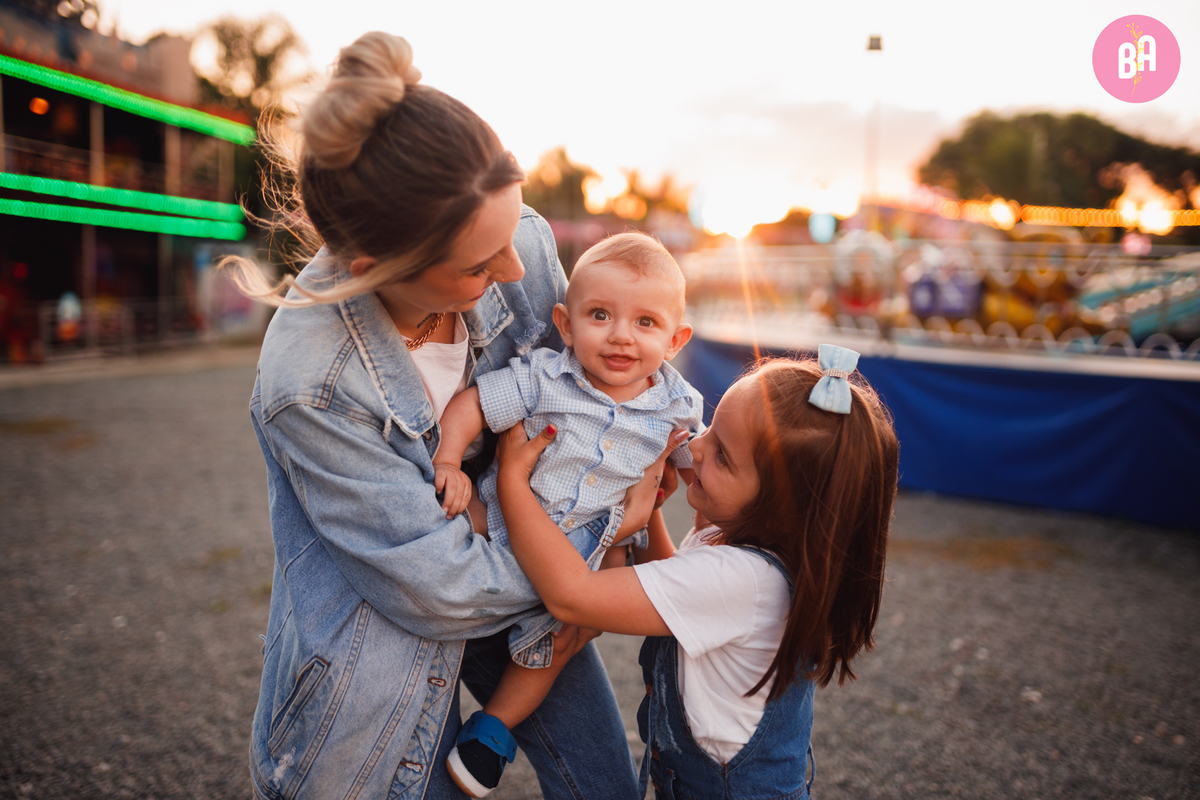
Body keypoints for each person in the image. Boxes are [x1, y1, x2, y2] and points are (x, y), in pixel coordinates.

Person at [228, 31, 644, 800]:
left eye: (514, 234)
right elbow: (437, 584)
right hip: (383, 649)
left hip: (525, 570)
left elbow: (598, 394)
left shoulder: (516, 242)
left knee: (606, 783)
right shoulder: (310, 383)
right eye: (480, 266)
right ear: (376, 271)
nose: (519, 272)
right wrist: (584, 562)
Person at [495, 346, 900, 799]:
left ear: (780, 508)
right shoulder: (751, 550)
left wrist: (512, 481)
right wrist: (648, 509)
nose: (697, 446)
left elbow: (570, 594)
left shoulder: (742, 581)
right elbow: (674, 587)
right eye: (712, 428)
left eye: (723, 455)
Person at [430, 232, 703, 795]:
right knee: (443, 527)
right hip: (502, 520)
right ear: (565, 321)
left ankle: (490, 734)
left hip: (583, 554)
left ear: (676, 339)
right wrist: (449, 458)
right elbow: (477, 404)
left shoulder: (676, 407)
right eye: (600, 314)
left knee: (552, 648)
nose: (621, 336)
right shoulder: (546, 377)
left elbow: (706, 467)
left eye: (646, 323)